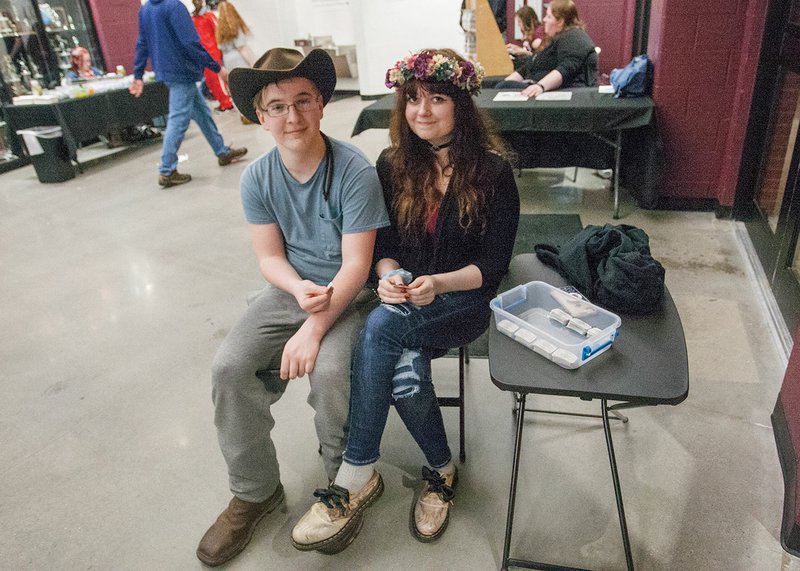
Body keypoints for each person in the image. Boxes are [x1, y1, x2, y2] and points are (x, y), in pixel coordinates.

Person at [291, 48, 520, 553]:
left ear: (460, 104)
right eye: (413, 99)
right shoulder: (393, 164)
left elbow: (494, 265)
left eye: (437, 99)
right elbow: (385, 244)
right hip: (405, 300)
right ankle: (442, 472)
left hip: (464, 300)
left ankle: (354, 474)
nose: (422, 111)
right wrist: (389, 276)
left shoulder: (494, 171)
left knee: (380, 329)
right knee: (403, 364)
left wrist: (438, 284)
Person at [195, 47, 390, 567]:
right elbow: (268, 257)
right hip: (291, 291)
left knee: (329, 373)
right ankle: (255, 491)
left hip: (352, 297)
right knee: (229, 367)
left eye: (303, 100)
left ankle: (342, 483)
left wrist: (314, 328)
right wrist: (296, 287)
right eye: (277, 105)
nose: (292, 116)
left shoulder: (354, 172)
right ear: (260, 117)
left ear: (322, 104)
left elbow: (356, 266)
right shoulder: (257, 178)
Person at [130, 0, 247, 188]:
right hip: (181, 71)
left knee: (202, 113)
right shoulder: (174, 7)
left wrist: (138, 74)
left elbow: (142, 42)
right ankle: (167, 170)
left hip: (169, 72)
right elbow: (191, 43)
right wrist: (217, 68)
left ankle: (222, 151)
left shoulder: (146, 9)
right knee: (178, 119)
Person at [496, 0, 597, 96]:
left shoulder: (574, 36)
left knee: (504, 86)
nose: (544, 20)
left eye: (548, 17)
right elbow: (526, 69)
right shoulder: (555, 39)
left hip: (561, 93)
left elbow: (567, 68)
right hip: (535, 83)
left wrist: (540, 86)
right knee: (498, 85)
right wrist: (497, 89)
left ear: (560, 21)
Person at [191, 0, 233, 111]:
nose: (197, 3)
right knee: (210, 81)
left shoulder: (209, 16)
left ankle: (227, 103)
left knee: (217, 80)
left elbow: (218, 31)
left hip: (213, 53)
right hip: (202, 55)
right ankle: (222, 102)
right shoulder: (193, 19)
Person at [216, 0, 256, 70]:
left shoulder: (219, 30)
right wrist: (252, 63)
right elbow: (242, 48)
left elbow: (220, 49)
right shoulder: (235, 28)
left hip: (228, 62)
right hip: (239, 60)